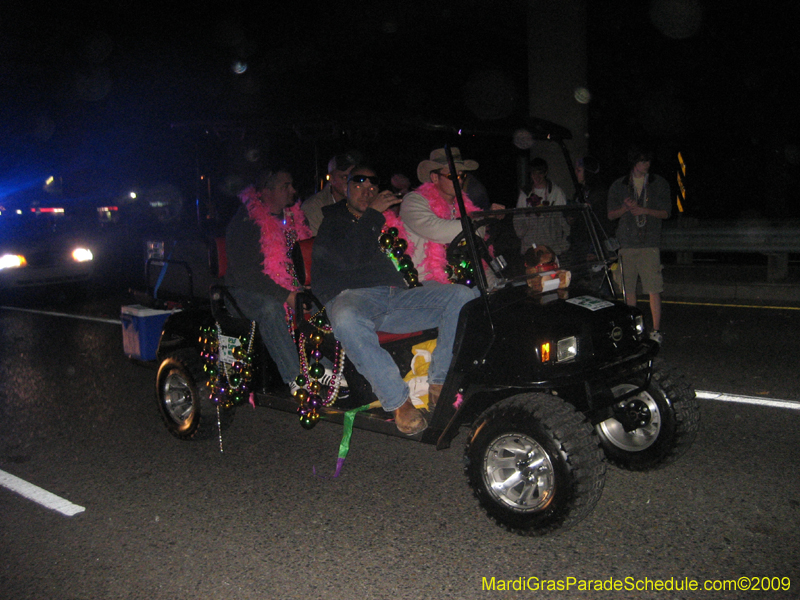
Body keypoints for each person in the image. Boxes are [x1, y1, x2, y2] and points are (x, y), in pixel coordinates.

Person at [311, 165, 476, 435]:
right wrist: (374, 214)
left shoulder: (382, 221)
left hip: (395, 296)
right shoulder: (334, 220)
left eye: (372, 188)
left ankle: (438, 383)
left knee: (462, 295)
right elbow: (349, 257)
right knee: (344, 317)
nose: (367, 193)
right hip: (353, 298)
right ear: (346, 188)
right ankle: (398, 402)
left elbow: (408, 258)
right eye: (359, 186)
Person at [225, 169, 310, 390]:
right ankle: (296, 379)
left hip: (288, 285)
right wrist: (286, 295)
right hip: (242, 291)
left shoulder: (293, 218)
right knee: (271, 309)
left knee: (326, 300)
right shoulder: (246, 221)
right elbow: (247, 275)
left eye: (292, 185)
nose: (293, 190)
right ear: (266, 192)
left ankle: (326, 371)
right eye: (285, 186)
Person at [399, 147, 504, 284]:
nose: (459, 180)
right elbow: (436, 229)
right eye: (453, 176)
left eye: (462, 175)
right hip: (424, 281)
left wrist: (495, 285)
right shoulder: (413, 201)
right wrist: (481, 221)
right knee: (464, 295)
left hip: (457, 280)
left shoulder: (463, 206)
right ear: (435, 177)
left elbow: (477, 255)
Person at [607, 145, 671, 343]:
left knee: (653, 288)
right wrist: (625, 208)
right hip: (627, 243)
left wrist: (644, 210)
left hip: (649, 243)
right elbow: (610, 215)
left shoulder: (658, 183)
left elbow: (666, 213)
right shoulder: (619, 185)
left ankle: (656, 330)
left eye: (648, 161)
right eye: (643, 161)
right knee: (629, 290)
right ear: (634, 163)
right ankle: (632, 329)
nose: (647, 165)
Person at [513, 157, 571, 256]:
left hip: (552, 249)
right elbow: (518, 220)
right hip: (531, 248)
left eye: (540, 173)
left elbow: (565, 220)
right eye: (533, 173)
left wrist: (563, 245)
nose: (536, 176)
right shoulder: (525, 193)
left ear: (545, 173)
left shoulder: (556, 192)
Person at [301, 151, 362, 235]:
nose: (350, 182)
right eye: (344, 177)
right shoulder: (314, 207)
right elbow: (318, 245)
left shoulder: (362, 201)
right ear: (331, 178)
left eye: (353, 177)